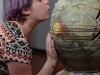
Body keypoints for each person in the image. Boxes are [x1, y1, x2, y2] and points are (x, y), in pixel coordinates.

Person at [0, 0, 58, 75]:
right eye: (40, 0)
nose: (47, 1)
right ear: (25, 9)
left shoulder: (7, 28)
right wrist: (52, 60)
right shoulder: (17, 43)